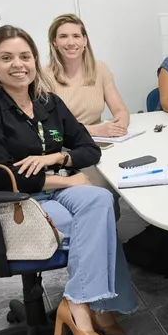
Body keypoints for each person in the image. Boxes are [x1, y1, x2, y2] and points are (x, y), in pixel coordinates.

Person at [0, 25, 137, 335]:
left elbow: (89, 148)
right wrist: (64, 177)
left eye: (25, 56)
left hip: (51, 192)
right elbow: (1, 174)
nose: (19, 64)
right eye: (7, 57)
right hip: (15, 201)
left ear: (35, 59)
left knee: (100, 200)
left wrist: (56, 157)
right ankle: (93, 309)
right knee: (98, 222)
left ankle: (78, 302)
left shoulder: (47, 101)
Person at [44, 13, 129, 214]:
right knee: (100, 189)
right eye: (63, 36)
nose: (71, 42)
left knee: (128, 177)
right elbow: (51, 130)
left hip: (102, 143)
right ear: (54, 43)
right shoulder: (44, 76)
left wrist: (121, 123)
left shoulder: (99, 69)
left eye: (76, 36)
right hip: (68, 149)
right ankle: (106, 234)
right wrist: (96, 129)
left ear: (85, 41)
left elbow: (120, 109)